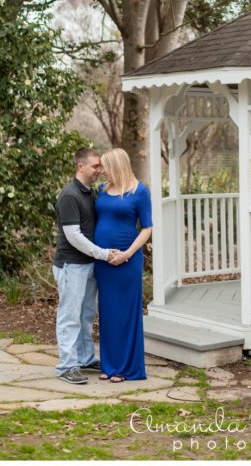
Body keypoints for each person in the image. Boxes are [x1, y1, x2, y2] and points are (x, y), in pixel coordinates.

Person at [52, 147, 121, 385]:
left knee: (86, 315)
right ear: (80, 166)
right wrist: (103, 254)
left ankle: (85, 358)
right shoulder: (69, 195)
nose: (99, 171)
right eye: (95, 166)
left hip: (89, 264)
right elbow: (74, 236)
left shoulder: (90, 193)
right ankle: (66, 366)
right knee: (70, 316)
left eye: (100, 166)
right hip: (71, 265)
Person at [94, 148, 153, 382]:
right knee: (107, 313)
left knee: (125, 314)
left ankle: (127, 368)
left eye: (105, 166)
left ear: (117, 166)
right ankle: (109, 365)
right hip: (103, 262)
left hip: (126, 262)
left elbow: (147, 228)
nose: (102, 170)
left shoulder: (139, 192)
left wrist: (127, 253)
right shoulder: (102, 190)